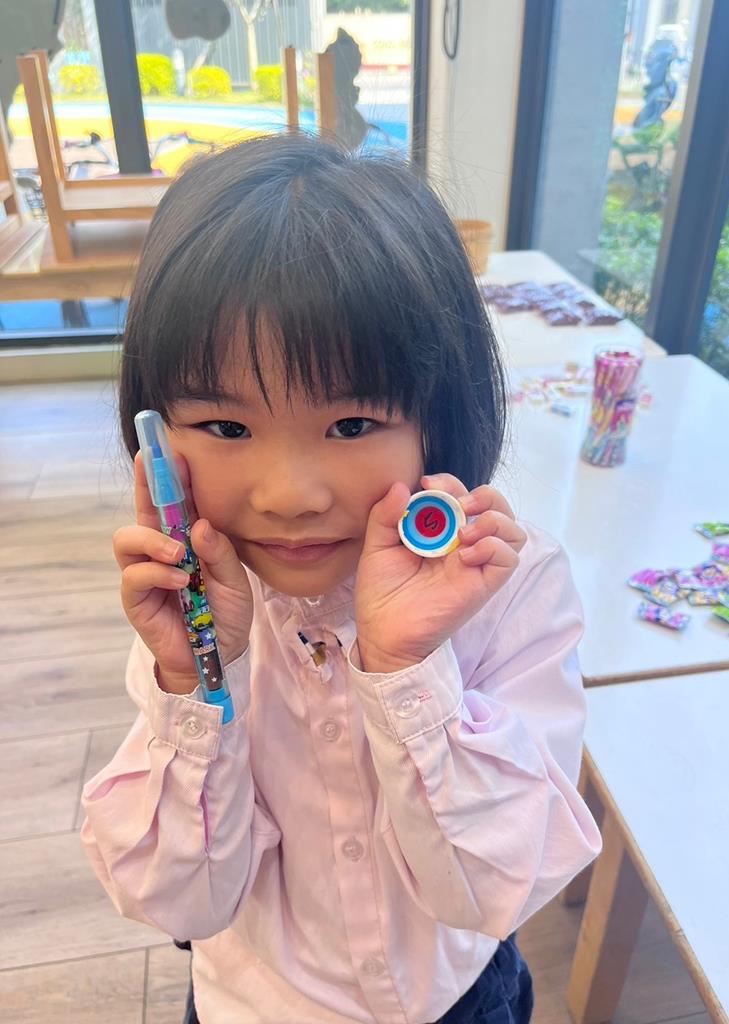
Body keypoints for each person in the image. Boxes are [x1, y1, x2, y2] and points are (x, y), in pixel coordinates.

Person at [80, 131, 602, 1024]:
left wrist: (405, 668)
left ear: (436, 418)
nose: (290, 496)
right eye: (228, 428)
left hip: (455, 995)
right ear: (158, 440)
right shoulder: (193, 611)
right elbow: (182, 903)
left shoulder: (507, 583)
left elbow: (493, 889)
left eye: (352, 424)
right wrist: (196, 677)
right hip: (255, 1004)